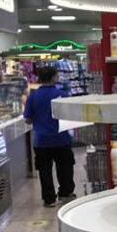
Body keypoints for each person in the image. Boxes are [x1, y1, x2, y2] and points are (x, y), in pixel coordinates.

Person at [23, 65, 76, 207]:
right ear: (53, 77)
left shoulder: (33, 96)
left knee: (44, 171)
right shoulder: (62, 96)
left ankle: (49, 199)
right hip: (61, 139)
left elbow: (27, 119)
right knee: (65, 168)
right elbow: (70, 117)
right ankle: (65, 193)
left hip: (41, 141)